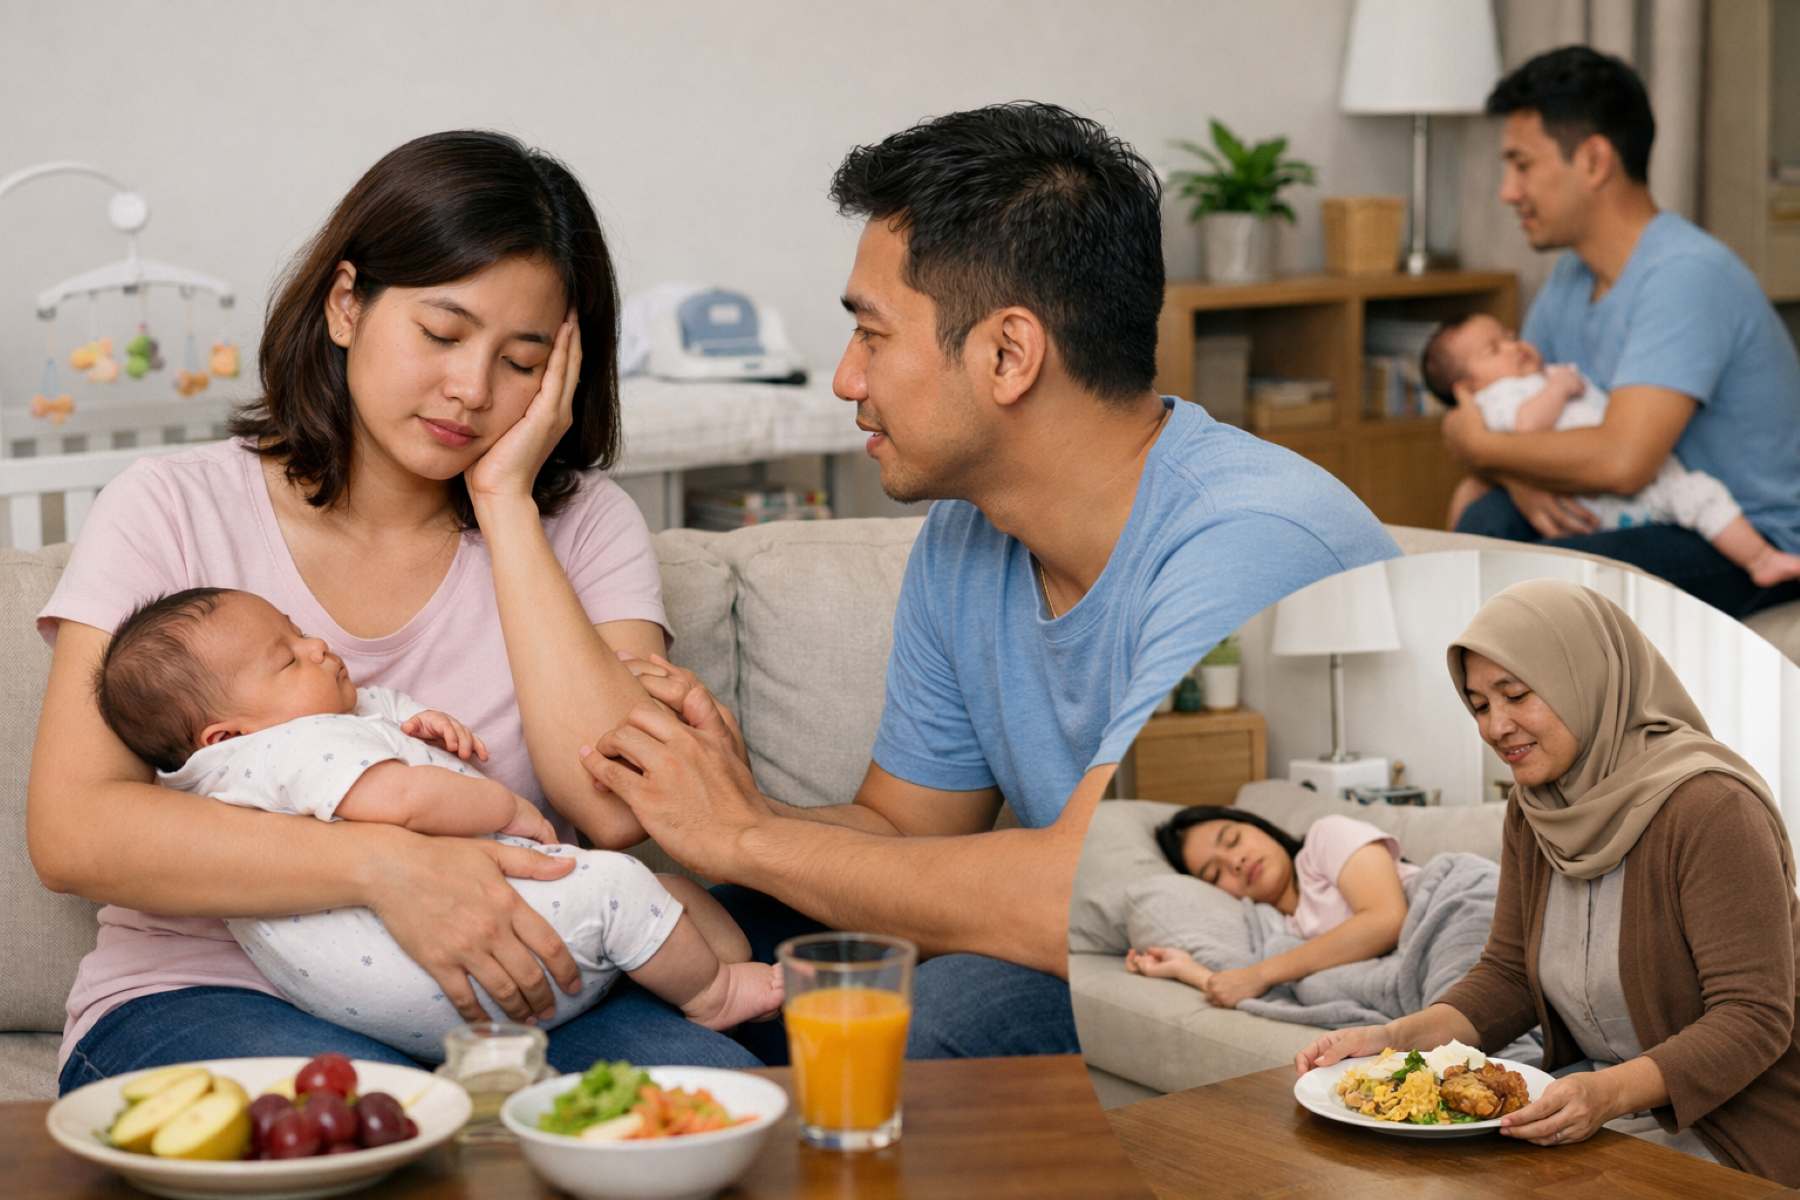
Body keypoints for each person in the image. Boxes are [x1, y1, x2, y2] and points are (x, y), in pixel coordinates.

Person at [574, 102, 1400, 1062]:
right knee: (634, 959)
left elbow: (1070, 896)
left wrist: (746, 839)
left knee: (938, 1015)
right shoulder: (969, 536)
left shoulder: (1245, 543)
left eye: (872, 336)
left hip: (1260, 983)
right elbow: (901, 831)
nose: (845, 378)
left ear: (1009, 354)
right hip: (1092, 932)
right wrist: (736, 806)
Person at [29, 130, 770, 1095]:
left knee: (721, 1115)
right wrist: (384, 867)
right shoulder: (170, 504)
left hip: (529, 980)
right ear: (347, 305)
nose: (472, 390)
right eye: (442, 333)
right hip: (208, 988)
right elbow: (76, 831)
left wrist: (507, 505)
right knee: (381, 1129)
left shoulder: (584, 527)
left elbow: (612, 807)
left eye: (522, 360)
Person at [92, 586, 782, 1055]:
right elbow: (405, 802)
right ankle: (715, 993)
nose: (317, 647)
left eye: (300, 632)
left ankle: (718, 961)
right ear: (224, 733)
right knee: (622, 887)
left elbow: (379, 727)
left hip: (415, 993)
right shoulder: (288, 747)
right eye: (288, 658)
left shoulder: (269, 750)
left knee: (670, 897)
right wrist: (509, 805)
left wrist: (422, 726)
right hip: (454, 970)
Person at [1296, 579, 1800, 1186]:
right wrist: (1393, 1043)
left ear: (1584, 678)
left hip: (1735, 1129)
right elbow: (1509, 976)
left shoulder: (1711, 806)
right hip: (1599, 1110)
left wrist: (1607, 1094)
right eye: (1480, 705)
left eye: (1516, 695)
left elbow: (1753, 1017)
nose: (1496, 727)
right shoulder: (1533, 809)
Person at [1441, 46, 1800, 619]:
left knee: (1541, 581)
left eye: (1522, 164)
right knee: (1486, 524)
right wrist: (1511, 468)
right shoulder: (1569, 279)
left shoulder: (1685, 276)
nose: (1508, 191)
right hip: (1641, 510)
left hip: (1740, 534)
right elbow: (1520, 417)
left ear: (1593, 160)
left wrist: (1478, 446)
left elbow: (1621, 459)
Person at [1425, 313, 1800, 586]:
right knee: (1697, 495)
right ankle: (1761, 559)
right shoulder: (1501, 397)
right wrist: (1557, 390)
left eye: (1510, 335)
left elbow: (1480, 443)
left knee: (1695, 496)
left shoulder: (1534, 375)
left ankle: (1763, 556)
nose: (1514, 346)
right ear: (1469, 385)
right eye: (1495, 349)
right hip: (1606, 492)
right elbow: (1523, 428)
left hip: (1627, 482)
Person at [1125, 807, 1415, 1009]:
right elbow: (1243, 986)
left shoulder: (1325, 837)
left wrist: (1260, 975)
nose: (1235, 861)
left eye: (1232, 839)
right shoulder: (1276, 931)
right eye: (1214, 874)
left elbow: (1387, 918)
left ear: (1256, 825)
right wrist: (1184, 969)